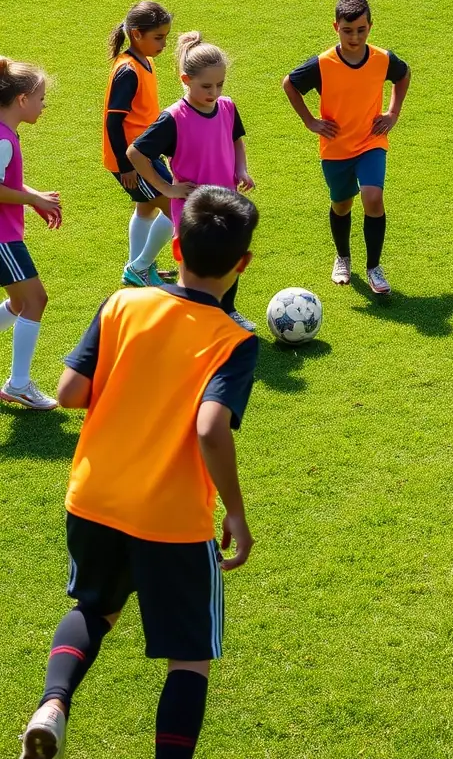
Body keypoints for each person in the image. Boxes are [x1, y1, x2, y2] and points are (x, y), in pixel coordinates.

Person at [19, 186, 259, 759]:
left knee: (94, 609)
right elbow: (209, 427)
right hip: (170, 517)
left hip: (95, 497)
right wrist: (237, 512)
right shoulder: (234, 340)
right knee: (190, 655)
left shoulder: (122, 304)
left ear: (174, 244)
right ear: (242, 264)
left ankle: (53, 704)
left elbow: (70, 392)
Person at [282, 0, 411, 295]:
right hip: (336, 148)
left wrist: (392, 112)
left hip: (371, 141)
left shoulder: (382, 59)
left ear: (370, 27)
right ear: (335, 27)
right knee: (342, 203)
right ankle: (343, 257)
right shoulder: (322, 64)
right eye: (347, 30)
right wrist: (310, 121)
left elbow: (403, 76)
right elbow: (289, 84)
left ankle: (374, 267)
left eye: (361, 30)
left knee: (372, 197)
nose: (355, 37)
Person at [127, 32, 256, 330]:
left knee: (230, 257)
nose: (214, 92)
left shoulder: (227, 107)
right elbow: (136, 153)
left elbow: (236, 138)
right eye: (206, 86)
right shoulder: (174, 118)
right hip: (192, 207)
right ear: (186, 79)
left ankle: (228, 311)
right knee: (197, 266)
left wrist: (242, 169)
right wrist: (166, 188)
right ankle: (193, 317)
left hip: (226, 199)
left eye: (220, 84)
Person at [0, 57, 61, 410]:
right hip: (3, 239)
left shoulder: (5, 134)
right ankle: (19, 384)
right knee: (36, 300)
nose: (43, 105)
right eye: (40, 98)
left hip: (5, 235)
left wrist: (32, 197)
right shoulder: (4, 140)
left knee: (21, 302)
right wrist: (29, 198)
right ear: (22, 100)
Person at [103, 0, 175, 288]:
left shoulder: (144, 62)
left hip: (144, 153)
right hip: (133, 159)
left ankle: (138, 270)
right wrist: (125, 167)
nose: (163, 43)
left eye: (166, 37)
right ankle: (140, 266)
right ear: (136, 34)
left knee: (146, 209)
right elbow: (113, 123)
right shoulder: (128, 71)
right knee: (179, 208)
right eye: (158, 37)